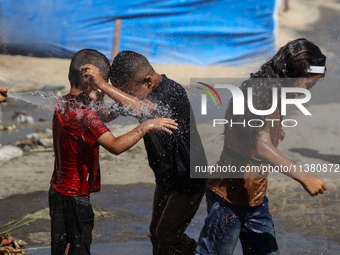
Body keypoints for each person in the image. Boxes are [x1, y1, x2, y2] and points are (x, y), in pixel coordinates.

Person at [195, 38, 327, 255]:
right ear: (291, 74)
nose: (309, 92)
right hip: (228, 197)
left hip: (255, 197)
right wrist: (305, 177)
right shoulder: (257, 93)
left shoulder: (271, 91)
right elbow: (261, 146)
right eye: (308, 85)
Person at [49, 49, 178, 255]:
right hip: (75, 197)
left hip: (58, 191)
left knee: (61, 247)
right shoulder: (85, 116)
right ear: (91, 82)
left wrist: (100, 97)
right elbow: (116, 145)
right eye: (101, 83)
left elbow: (103, 116)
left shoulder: (64, 103)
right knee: (78, 249)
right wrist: (146, 126)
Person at [81, 50, 207, 255]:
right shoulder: (138, 95)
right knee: (156, 235)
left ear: (147, 81)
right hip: (165, 177)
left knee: (167, 235)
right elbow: (105, 116)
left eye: (128, 93)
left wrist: (104, 84)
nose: (126, 98)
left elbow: (144, 110)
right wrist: (99, 94)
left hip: (188, 177)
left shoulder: (171, 91)